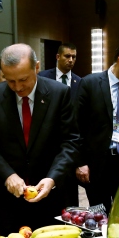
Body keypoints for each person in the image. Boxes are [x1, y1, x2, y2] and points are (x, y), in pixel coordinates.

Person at [0, 43, 79, 235]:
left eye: (23, 79)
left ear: (36, 67)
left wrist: (53, 178)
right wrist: (8, 175)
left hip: (50, 197)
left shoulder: (59, 93)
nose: (18, 87)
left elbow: (70, 142)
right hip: (8, 201)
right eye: (10, 81)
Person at [75, 37, 119, 212]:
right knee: (99, 216)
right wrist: (80, 162)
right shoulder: (90, 84)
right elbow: (75, 126)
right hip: (98, 164)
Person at [38, 43, 82, 207]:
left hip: (68, 144)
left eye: (74, 57)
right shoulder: (42, 77)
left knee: (68, 197)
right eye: (67, 56)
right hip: (46, 144)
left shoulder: (80, 82)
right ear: (58, 57)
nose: (71, 60)